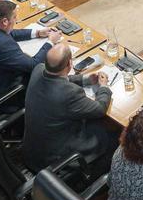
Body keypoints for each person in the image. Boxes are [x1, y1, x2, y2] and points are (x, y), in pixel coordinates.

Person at [23, 43, 117, 173]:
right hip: (53, 160)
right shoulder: (69, 93)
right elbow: (100, 109)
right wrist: (104, 87)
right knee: (113, 134)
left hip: (33, 150)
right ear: (70, 64)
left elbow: (57, 78)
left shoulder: (38, 69)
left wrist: (85, 79)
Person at [0, 0, 62, 111]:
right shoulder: (2, 45)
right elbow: (34, 65)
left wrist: (38, 33)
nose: (16, 20)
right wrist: (50, 42)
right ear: (5, 21)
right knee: (43, 74)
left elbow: (9, 33)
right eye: (14, 17)